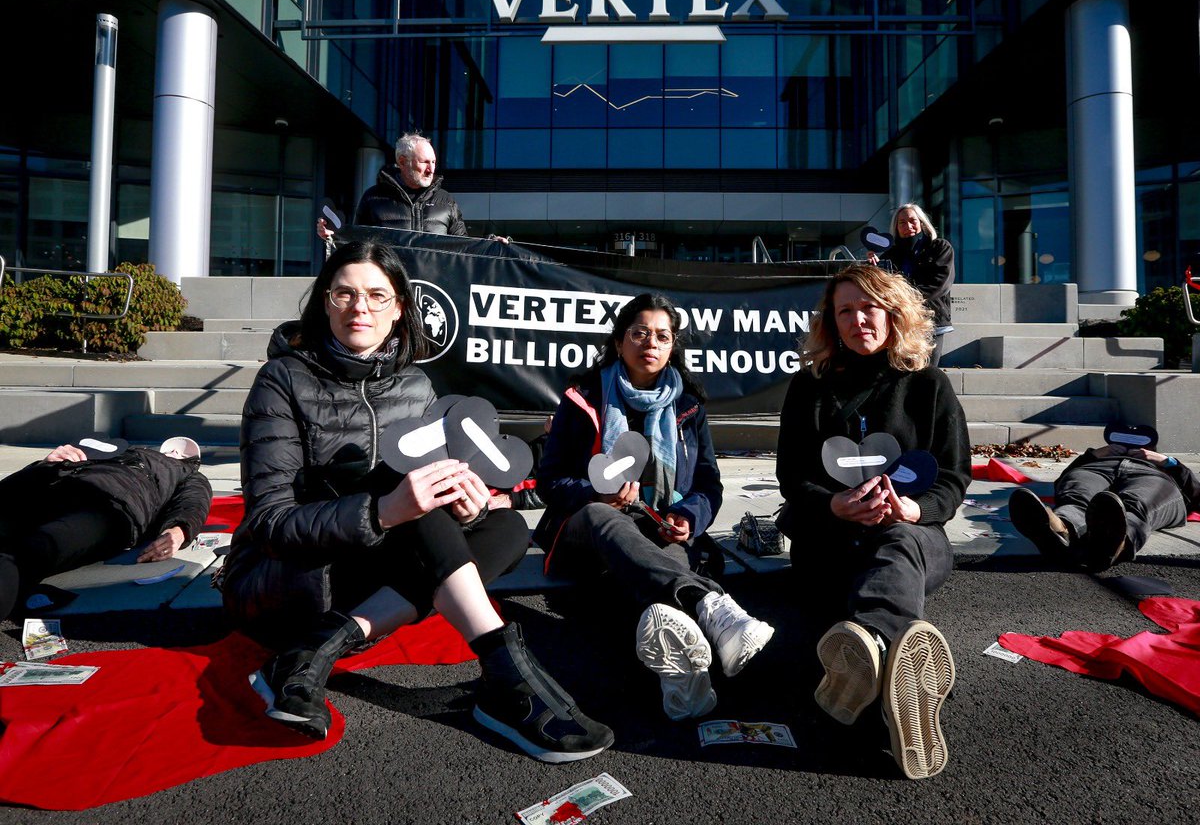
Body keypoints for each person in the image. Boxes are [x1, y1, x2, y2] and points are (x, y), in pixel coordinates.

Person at [221, 240, 611, 762]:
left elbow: (433, 498)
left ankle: (315, 649)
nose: (361, 308)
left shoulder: (416, 385)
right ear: (324, 303)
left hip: (370, 570)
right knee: (402, 494)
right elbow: (269, 525)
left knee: (506, 527)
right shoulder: (282, 379)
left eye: (378, 296)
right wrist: (384, 510)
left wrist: (463, 504)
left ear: (400, 308)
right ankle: (505, 676)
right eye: (345, 294)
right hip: (288, 580)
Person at [535, 293, 774, 722]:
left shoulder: (688, 406)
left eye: (662, 336)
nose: (651, 342)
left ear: (672, 346)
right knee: (602, 517)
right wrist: (595, 493)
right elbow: (549, 481)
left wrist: (690, 517)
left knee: (657, 586)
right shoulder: (582, 398)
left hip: (657, 527)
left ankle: (683, 683)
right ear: (619, 340)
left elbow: (707, 483)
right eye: (640, 333)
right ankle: (712, 606)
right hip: (584, 531)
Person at [776, 263, 968, 780]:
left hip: (910, 538)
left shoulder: (929, 385)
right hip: (831, 541)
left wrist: (914, 510)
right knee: (853, 560)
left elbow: (951, 478)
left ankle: (873, 647)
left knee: (900, 540)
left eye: (869, 307)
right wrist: (834, 507)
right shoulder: (808, 388)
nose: (858, 319)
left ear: (893, 312)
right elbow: (793, 479)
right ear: (831, 322)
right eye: (845, 310)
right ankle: (897, 683)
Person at [0, 436, 211, 622]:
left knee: (28, 552)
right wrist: (46, 464)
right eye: (173, 448)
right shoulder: (116, 450)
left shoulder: (187, 475)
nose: (175, 451)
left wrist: (179, 530)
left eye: (183, 453)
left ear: (191, 463)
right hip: (59, 484)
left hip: (111, 506)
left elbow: (194, 502)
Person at [1009, 443, 1198, 572]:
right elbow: (1063, 480)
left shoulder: (1164, 465)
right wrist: (1095, 454)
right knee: (1077, 496)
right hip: (1097, 469)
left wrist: (1168, 461)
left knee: (1139, 503)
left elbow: (1196, 493)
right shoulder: (1096, 457)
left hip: (1153, 476)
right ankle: (1060, 529)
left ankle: (1115, 542)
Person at [317, 134, 467, 242]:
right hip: (390, 284)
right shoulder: (373, 198)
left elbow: (465, 248)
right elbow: (358, 247)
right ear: (402, 161)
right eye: (425, 162)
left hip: (435, 285)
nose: (431, 169)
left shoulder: (447, 201)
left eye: (433, 162)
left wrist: (489, 246)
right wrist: (335, 237)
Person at [867, 203, 955, 367]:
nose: (908, 226)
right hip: (900, 322)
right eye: (902, 222)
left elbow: (939, 285)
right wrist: (874, 267)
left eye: (913, 221)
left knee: (927, 373)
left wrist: (902, 299)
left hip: (931, 321)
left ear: (922, 223)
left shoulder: (940, 247)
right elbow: (881, 286)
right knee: (902, 372)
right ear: (896, 227)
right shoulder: (890, 255)